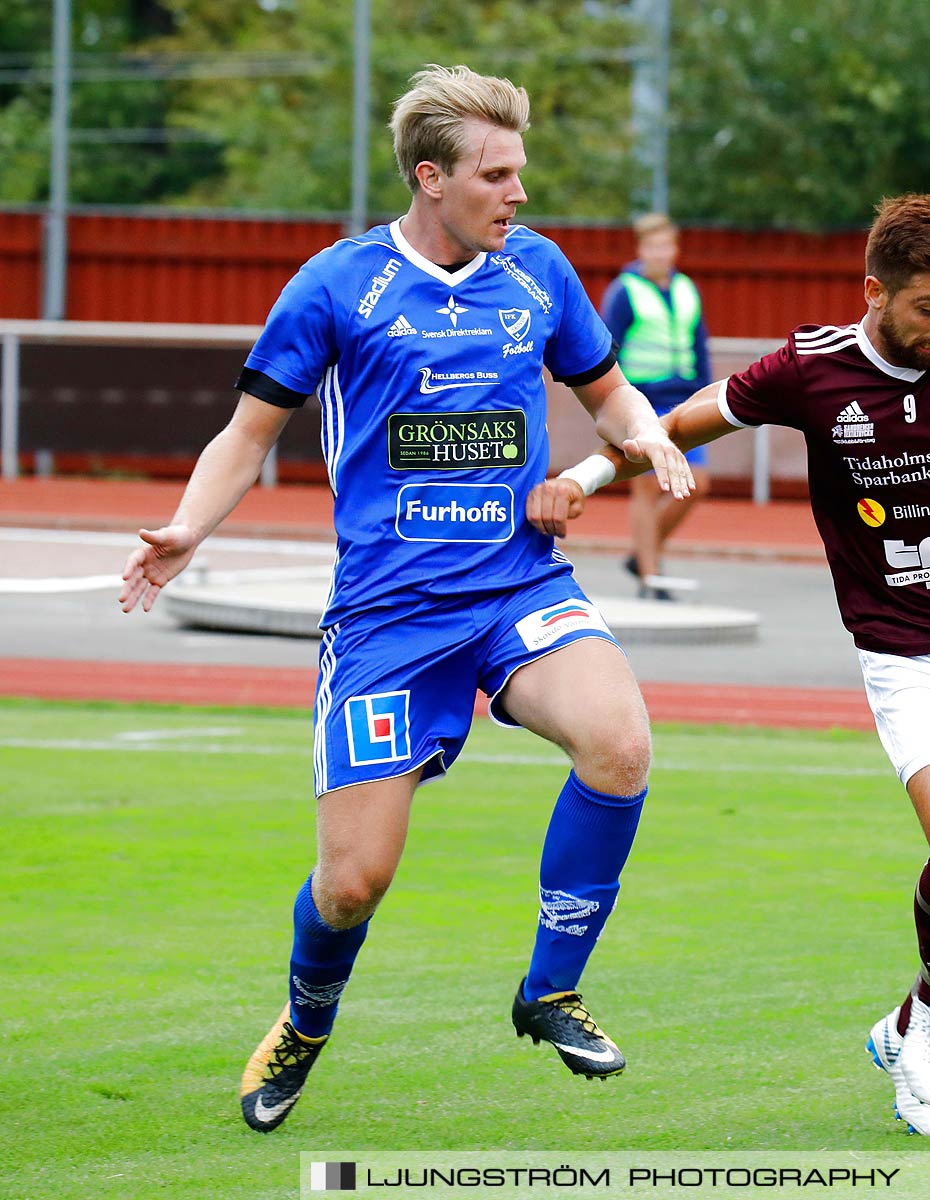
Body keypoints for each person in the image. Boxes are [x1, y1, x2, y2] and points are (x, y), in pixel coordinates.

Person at [530, 193, 930, 1136]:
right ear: (874, 292)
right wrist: (581, 479)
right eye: (929, 308)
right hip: (909, 651)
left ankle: (913, 1013)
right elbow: (675, 425)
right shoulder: (812, 369)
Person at [119, 64, 692, 1133]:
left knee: (620, 742)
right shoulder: (338, 287)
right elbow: (249, 434)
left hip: (518, 585)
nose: (521, 194)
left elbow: (607, 392)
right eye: (498, 174)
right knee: (353, 884)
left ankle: (551, 990)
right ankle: (305, 1018)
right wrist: (189, 529)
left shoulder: (540, 273)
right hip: (389, 618)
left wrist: (644, 435)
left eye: (521, 172)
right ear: (432, 178)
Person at [600, 213, 713, 600]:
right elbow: (606, 349)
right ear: (641, 248)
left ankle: (641, 554)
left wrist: (708, 391)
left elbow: (698, 345)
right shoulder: (624, 291)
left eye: (666, 245)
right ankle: (651, 575)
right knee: (647, 487)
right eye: (653, 246)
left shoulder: (686, 289)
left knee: (696, 484)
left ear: (675, 248)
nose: (660, 253)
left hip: (684, 398)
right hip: (643, 400)